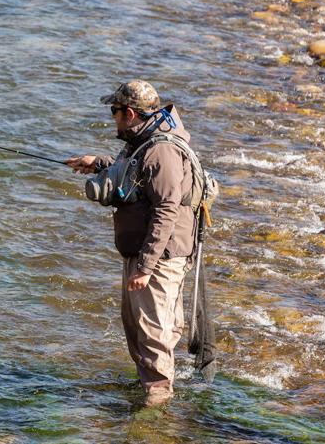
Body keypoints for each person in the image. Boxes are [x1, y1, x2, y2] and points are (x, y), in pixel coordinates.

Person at [66, 80, 197, 407]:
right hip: (148, 254)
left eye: (114, 112)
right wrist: (98, 163)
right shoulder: (144, 140)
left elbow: (166, 209)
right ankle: (152, 390)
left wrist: (145, 266)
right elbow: (135, 173)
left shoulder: (160, 149)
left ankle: (156, 410)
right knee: (138, 328)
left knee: (152, 333)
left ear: (128, 112)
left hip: (159, 257)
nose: (113, 118)